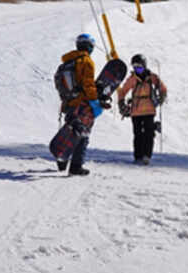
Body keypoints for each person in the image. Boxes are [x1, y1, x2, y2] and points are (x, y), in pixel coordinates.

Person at [59, 33, 107, 175]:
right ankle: (76, 167)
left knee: (71, 132)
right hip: (82, 103)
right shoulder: (86, 61)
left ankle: (62, 161)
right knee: (83, 134)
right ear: (90, 46)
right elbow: (88, 84)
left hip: (68, 103)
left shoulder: (67, 62)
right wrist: (95, 101)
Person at [116, 53, 167, 165]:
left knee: (148, 133)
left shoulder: (152, 78)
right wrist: (121, 103)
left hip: (149, 109)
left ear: (144, 65)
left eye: (139, 67)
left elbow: (163, 88)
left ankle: (146, 155)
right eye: (135, 67)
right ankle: (138, 155)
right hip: (136, 111)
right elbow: (122, 91)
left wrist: (161, 97)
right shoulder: (133, 79)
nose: (137, 69)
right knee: (138, 133)